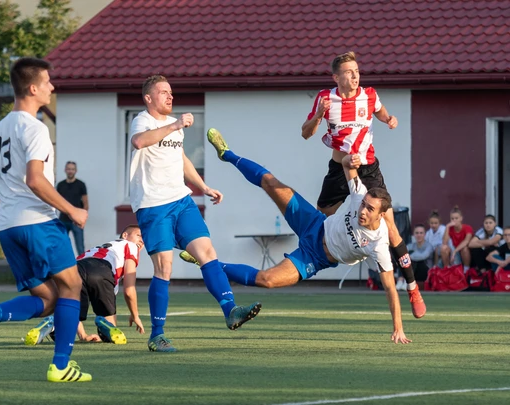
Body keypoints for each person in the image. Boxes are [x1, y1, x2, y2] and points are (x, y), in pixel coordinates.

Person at [182, 128, 412, 344]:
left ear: (382, 216)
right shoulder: (359, 193)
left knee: (267, 280)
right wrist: (349, 160)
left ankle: (210, 263)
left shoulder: (379, 245)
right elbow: (344, 164)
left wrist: (398, 327)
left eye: (370, 209)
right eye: (363, 205)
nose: (362, 210)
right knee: (271, 183)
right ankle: (228, 154)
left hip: (316, 257)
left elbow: (391, 289)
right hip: (314, 223)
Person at [0, 57, 91, 382]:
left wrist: (11, 207)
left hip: (8, 227)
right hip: (39, 224)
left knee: (48, 298)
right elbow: (36, 180)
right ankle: (61, 366)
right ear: (34, 87)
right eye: (49, 82)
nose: (53, 87)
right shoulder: (36, 128)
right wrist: (72, 210)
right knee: (72, 285)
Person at [129, 75, 261, 352]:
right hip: (153, 205)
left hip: (181, 200)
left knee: (207, 252)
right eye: (163, 92)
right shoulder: (143, 120)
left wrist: (203, 187)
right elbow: (139, 142)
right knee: (164, 267)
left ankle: (230, 310)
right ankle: (157, 335)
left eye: (171, 92)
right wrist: (175, 124)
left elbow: (181, 160)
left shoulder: (175, 128)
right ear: (148, 98)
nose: (170, 96)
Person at [300, 51, 425, 318]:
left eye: (357, 70)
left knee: (391, 227)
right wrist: (317, 117)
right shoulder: (326, 98)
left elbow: (381, 112)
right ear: (336, 77)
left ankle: (413, 287)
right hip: (339, 167)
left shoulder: (369, 94)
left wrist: (390, 119)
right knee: (320, 217)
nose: (355, 75)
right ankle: (313, 261)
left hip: (368, 169)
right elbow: (306, 133)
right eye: (349, 71)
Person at [24, 224, 145, 345]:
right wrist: (135, 315)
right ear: (125, 235)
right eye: (139, 235)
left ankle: (54, 324)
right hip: (102, 270)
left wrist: (84, 336)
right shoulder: (131, 246)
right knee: (110, 331)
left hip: (75, 268)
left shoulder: (96, 250)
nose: (142, 240)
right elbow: (129, 290)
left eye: (144, 239)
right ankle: (102, 324)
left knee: (70, 315)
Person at [57, 161, 88, 256]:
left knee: (80, 248)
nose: (70, 171)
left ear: (76, 171)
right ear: (65, 170)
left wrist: (83, 219)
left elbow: (86, 203)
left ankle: (83, 268)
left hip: (76, 221)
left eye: (72, 169)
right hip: (63, 220)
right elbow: (57, 202)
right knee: (61, 245)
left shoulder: (81, 185)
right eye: (69, 169)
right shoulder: (60, 185)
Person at [440, 206, 473, 270]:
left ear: (461, 218)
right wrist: (447, 227)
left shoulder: (467, 227)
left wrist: (455, 251)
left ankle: (466, 270)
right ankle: (446, 269)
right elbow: (444, 242)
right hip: (454, 250)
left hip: (464, 252)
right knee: (444, 248)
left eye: (456, 218)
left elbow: (466, 241)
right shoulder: (450, 228)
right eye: (452, 218)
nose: (454, 220)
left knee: (465, 249)